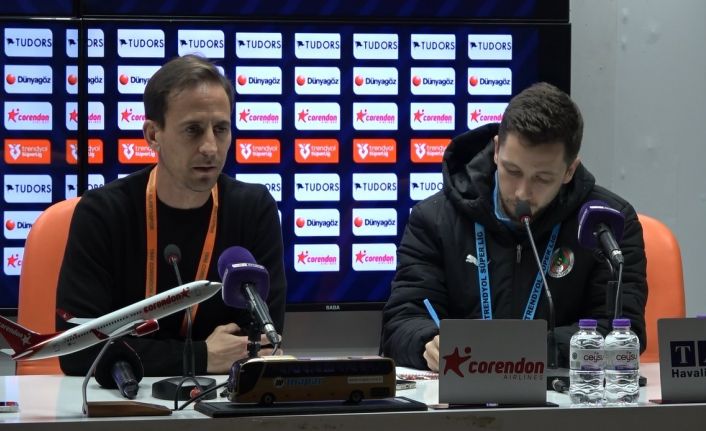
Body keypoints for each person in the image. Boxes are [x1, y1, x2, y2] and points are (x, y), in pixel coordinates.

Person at [382, 82, 647, 371]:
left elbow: (623, 333)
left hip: (562, 393)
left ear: (569, 170)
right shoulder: (434, 219)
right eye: (512, 171)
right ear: (497, 150)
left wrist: (517, 354)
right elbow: (400, 323)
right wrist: (427, 342)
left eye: (542, 178)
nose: (522, 192)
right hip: (459, 385)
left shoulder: (607, 224)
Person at [56, 55, 286, 376]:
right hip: (121, 400)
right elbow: (78, 350)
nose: (210, 147)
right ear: (153, 135)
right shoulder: (102, 213)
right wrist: (199, 356)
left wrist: (144, 354)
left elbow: (263, 341)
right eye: (193, 130)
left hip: (220, 399)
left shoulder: (254, 210)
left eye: (220, 129)